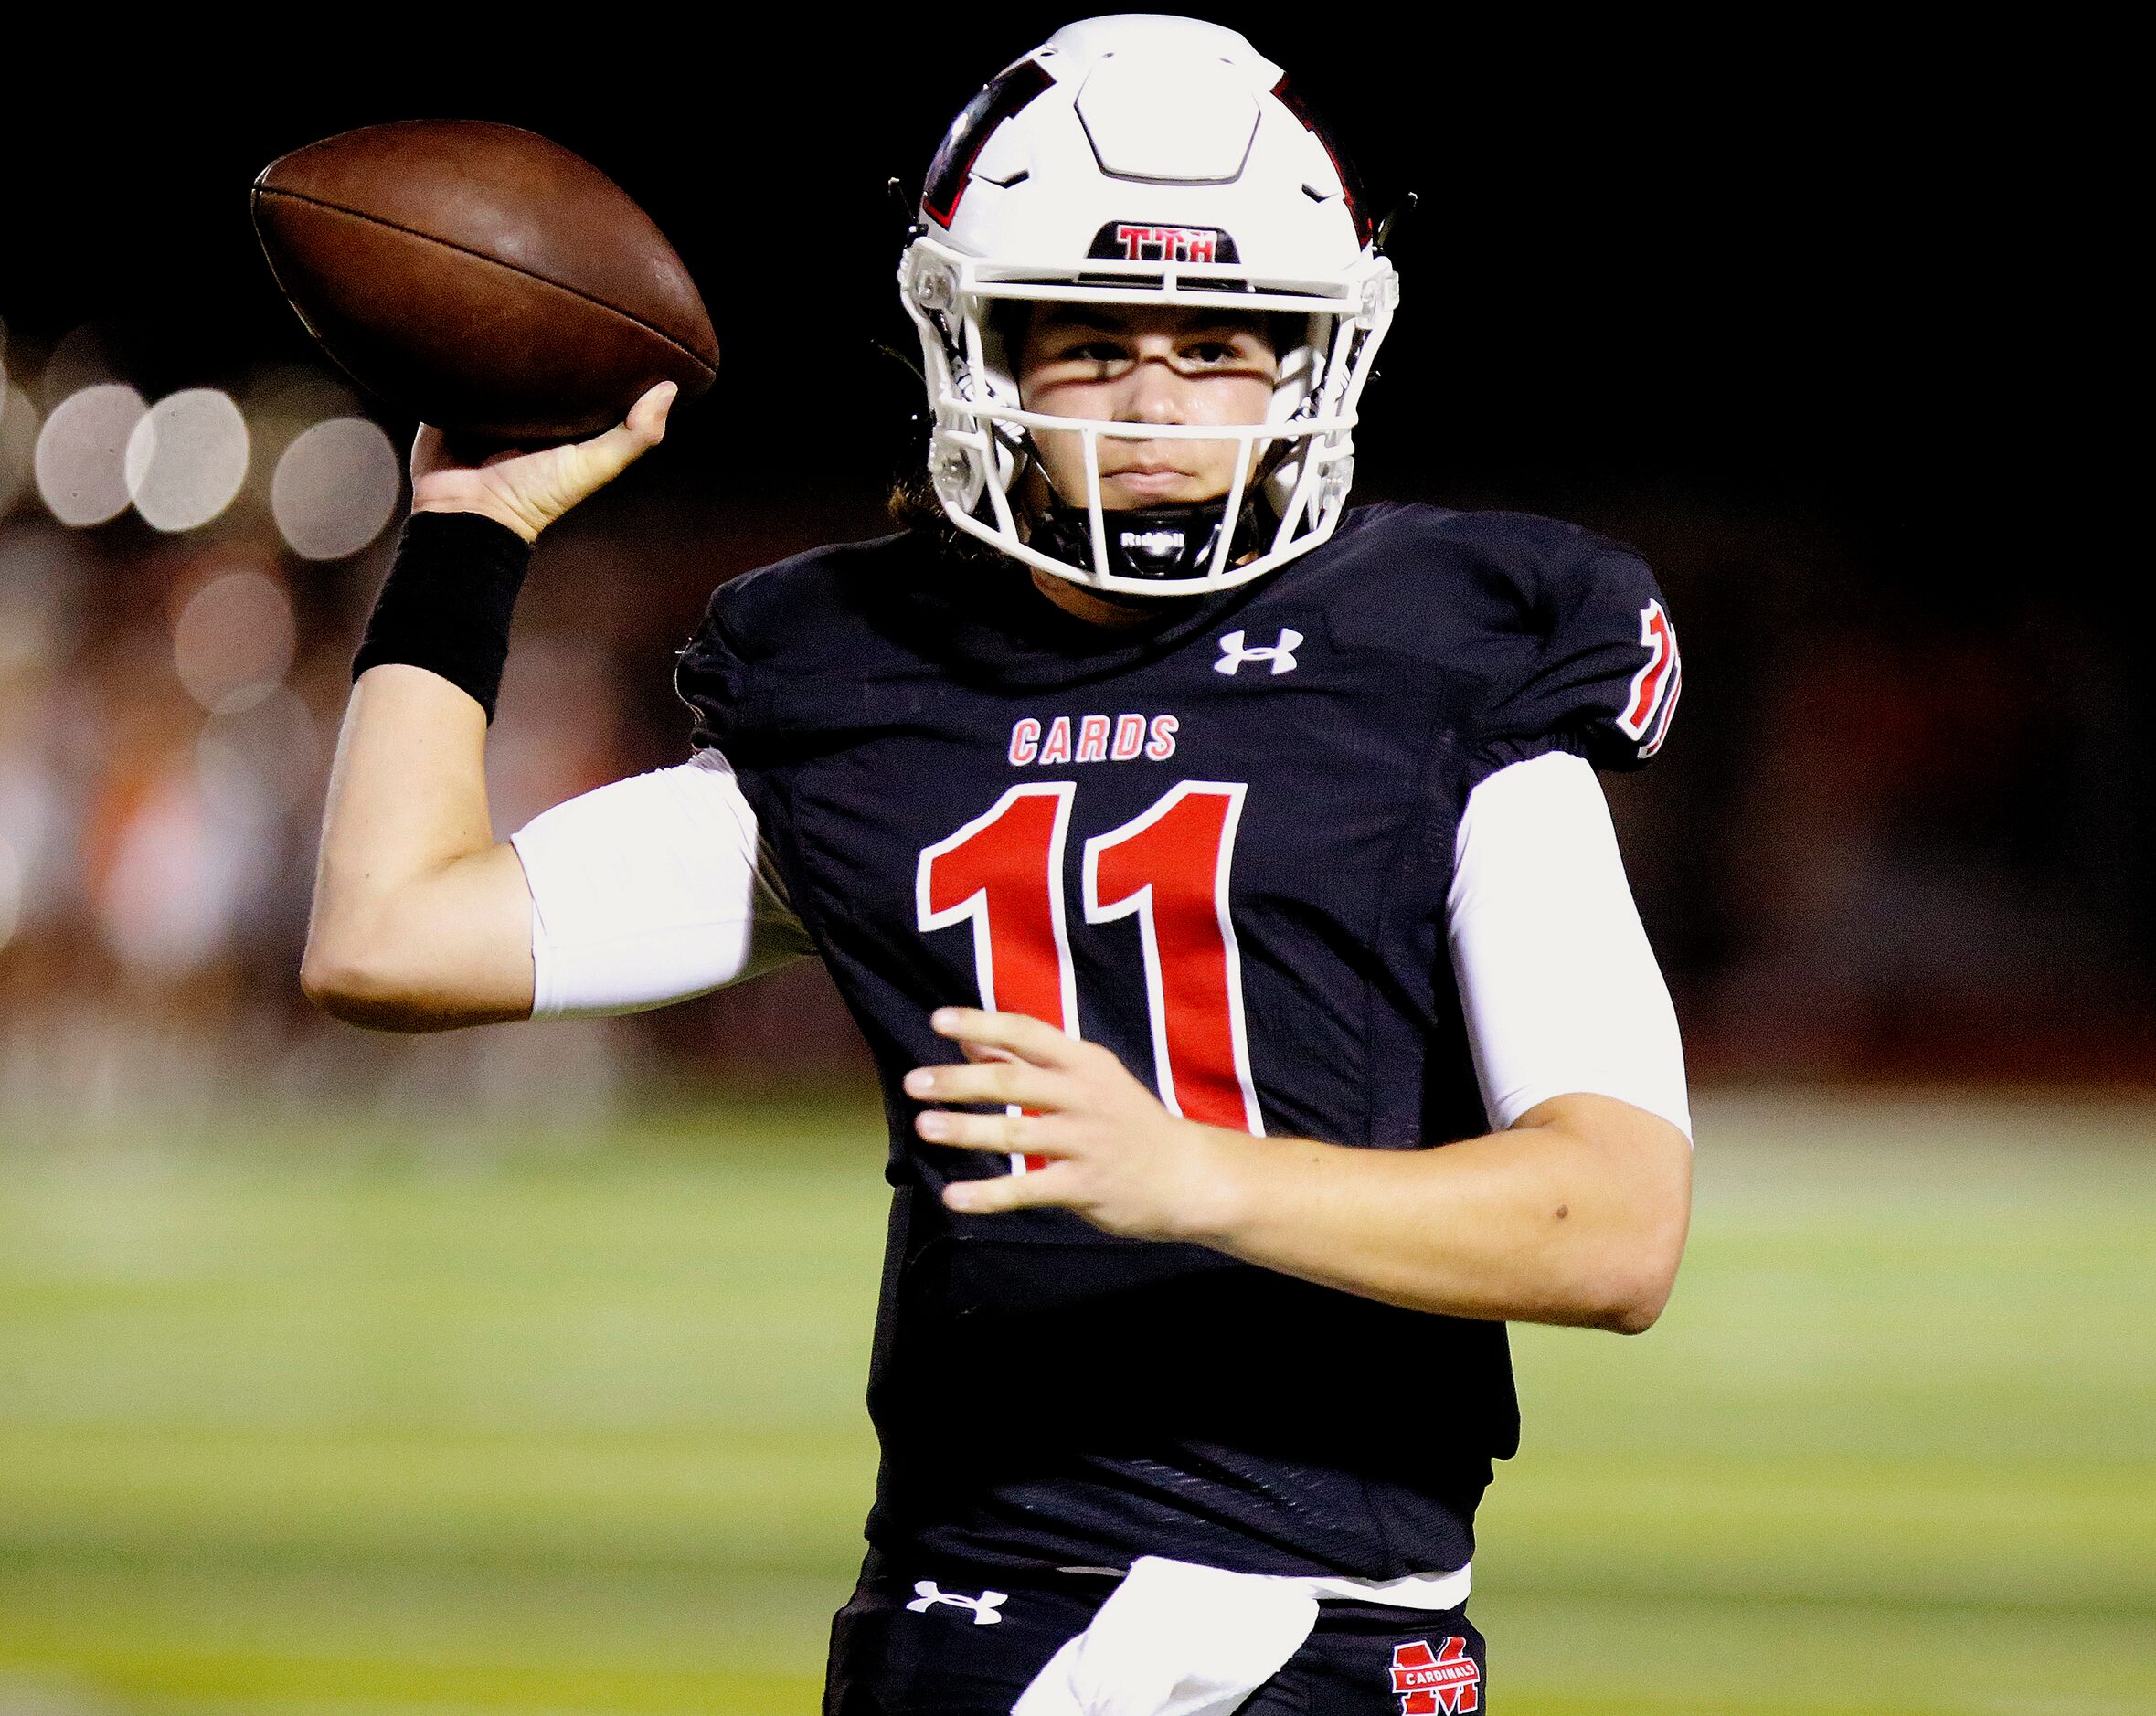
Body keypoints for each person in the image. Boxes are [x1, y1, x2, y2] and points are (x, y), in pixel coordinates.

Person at [301, 16, 1693, 1713]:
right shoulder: (872, 686)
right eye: (1091, 345)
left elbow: (1617, 1225)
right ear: (983, 358)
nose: (1156, 404)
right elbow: (389, 933)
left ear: (1314, 360)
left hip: (1360, 1624)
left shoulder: (1448, 663)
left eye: (1222, 341)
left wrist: (1187, 1173)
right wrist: (467, 539)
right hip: (1000, 1601)